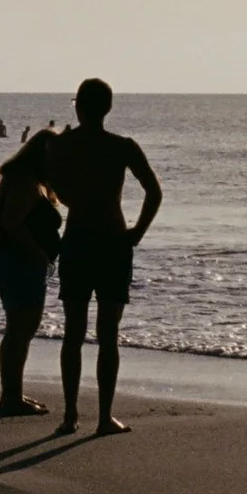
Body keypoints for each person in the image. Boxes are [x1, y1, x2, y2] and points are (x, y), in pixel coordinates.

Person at [42, 78, 161, 436]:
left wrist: (72, 196)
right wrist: (137, 232)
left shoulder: (63, 146)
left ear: (78, 106)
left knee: (73, 332)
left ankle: (70, 415)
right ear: (107, 108)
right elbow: (154, 191)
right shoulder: (122, 147)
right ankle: (104, 416)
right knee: (108, 333)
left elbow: (54, 189)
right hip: (112, 241)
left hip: (78, 240)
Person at [0, 132, 61, 416]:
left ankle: (13, 394)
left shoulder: (29, 179)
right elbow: (12, 223)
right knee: (20, 330)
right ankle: (11, 397)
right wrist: (37, 252)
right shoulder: (23, 181)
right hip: (19, 262)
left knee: (19, 330)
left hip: (17, 261)